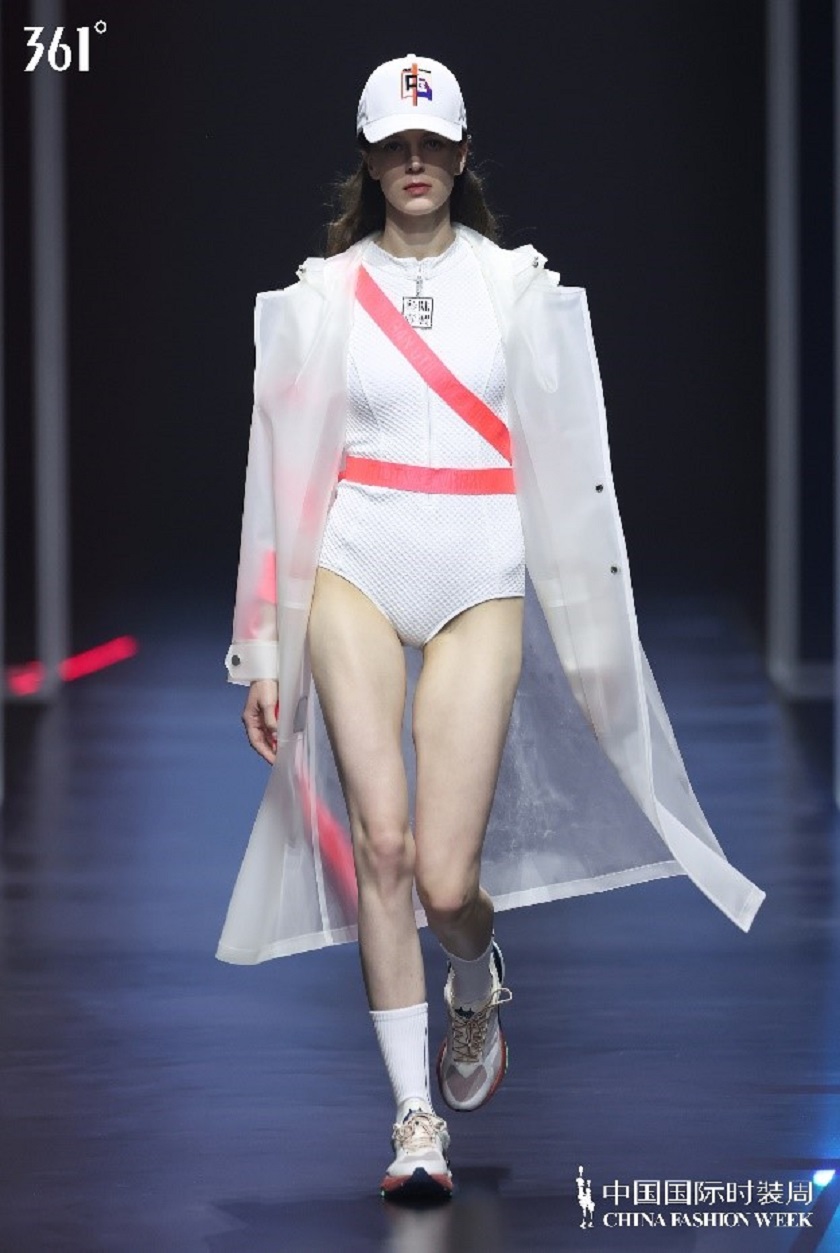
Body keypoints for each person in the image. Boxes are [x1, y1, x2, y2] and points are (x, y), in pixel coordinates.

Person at [218, 54, 766, 1202]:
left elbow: (576, 470)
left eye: (434, 142)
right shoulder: (319, 297)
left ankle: (474, 971)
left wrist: (598, 628)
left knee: (445, 878)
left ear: (462, 154)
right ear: (370, 158)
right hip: (355, 559)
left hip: (480, 569)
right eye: (395, 143)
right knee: (382, 844)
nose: (415, 159)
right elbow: (277, 475)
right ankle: (414, 1120)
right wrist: (262, 642)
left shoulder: (520, 288)